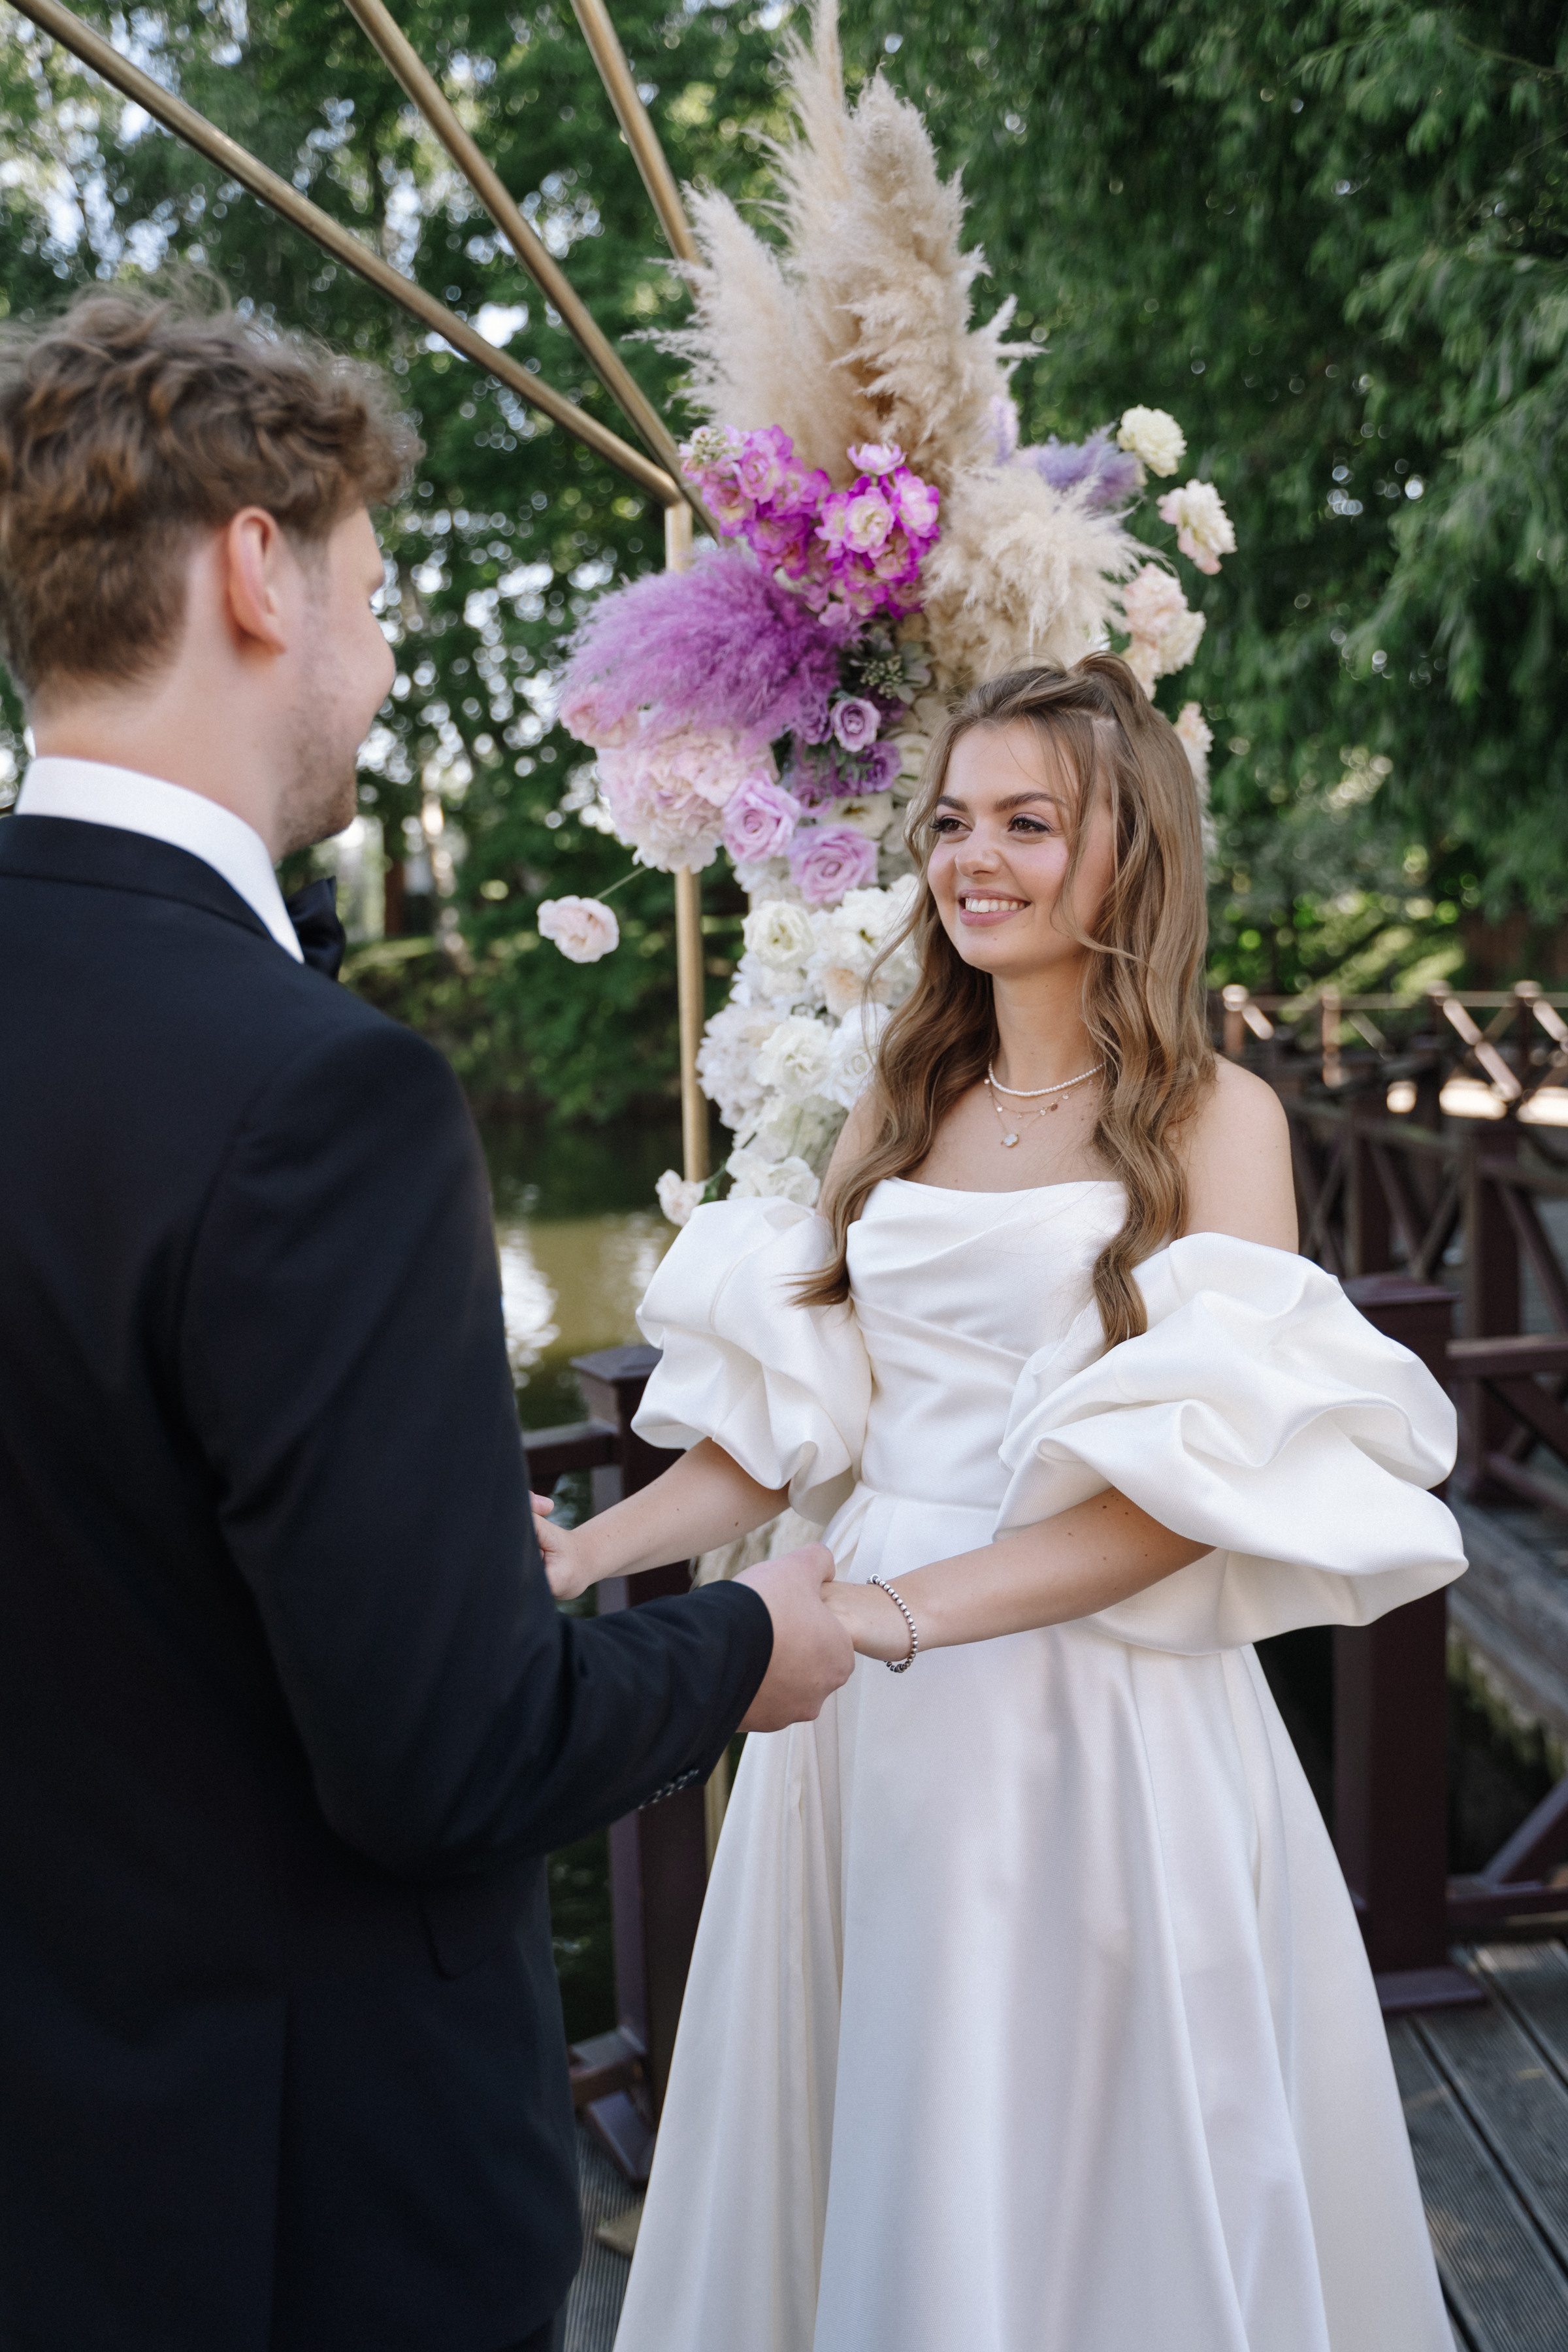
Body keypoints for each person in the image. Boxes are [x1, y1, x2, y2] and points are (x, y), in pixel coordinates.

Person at [0, 287, 853, 2352]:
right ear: (255, 570)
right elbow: (448, 1755)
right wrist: (753, 1642)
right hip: (290, 2219)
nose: (381, 677)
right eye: (376, 604)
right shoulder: (318, 1097)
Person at [535, 659, 1466, 2352]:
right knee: (882, 2102)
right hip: (862, 1710)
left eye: (1029, 822)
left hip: (1096, 1700)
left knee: (1082, 2136)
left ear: (1131, 851)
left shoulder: (1214, 1120)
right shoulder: (903, 1102)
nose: (976, 856)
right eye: (955, 820)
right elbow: (796, 1424)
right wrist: (587, 1549)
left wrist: (893, 1615)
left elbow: (1198, 1498)